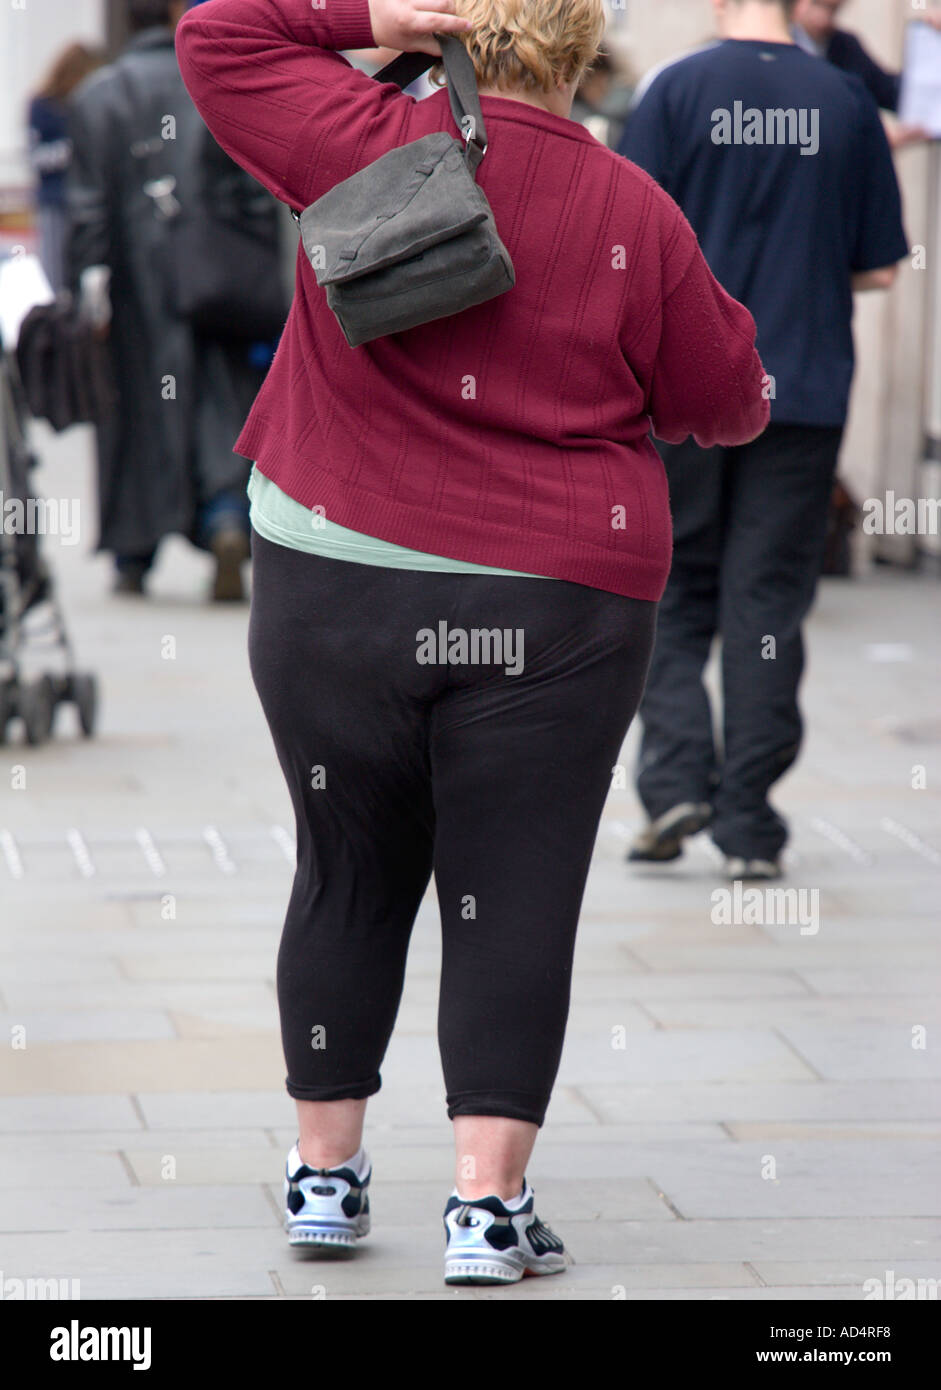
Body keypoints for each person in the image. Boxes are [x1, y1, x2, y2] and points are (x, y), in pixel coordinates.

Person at [175, 0, 769, 1286]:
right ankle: (485, 1208)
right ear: (578, 44)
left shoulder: (353, 133)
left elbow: (216, 32)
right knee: (516, 887)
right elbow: (723, 400)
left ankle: (324, 1175)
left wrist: (361, 19)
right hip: (554, 601)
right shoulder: (631, 207)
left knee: (344, 864)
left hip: (333, 583)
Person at [618, 0, 908, 881]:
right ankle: (748, 824)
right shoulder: (846, 99)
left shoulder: (672, 90)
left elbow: (625, 248)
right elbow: (881, 265)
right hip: (803, 386)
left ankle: (673, 781)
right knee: (768, 602)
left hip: (683, 388)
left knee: (671, 588)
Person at [65, 0, 274, 600]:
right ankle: (226, 517)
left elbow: (86, 213)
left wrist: (88, 289)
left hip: (132, 291)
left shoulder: (97, 97)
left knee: (134, 411)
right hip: (216, 281)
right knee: (219, 399)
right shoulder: (214, 83)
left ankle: (134, 552)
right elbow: (255, 187)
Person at [791, 0, 941, 144]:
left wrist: (932, 37)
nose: (822, 19)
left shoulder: (844, 47)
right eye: (817, 5)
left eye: (833, 9)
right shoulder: (783, 48)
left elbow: (893, 92)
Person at [27, 43, 105, 293]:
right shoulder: (43, 106)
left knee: (84, 268)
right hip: (55, 201)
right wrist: (71, 149)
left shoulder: (88, 107)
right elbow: (36, 157)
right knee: (56, 271)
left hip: (82, 200)